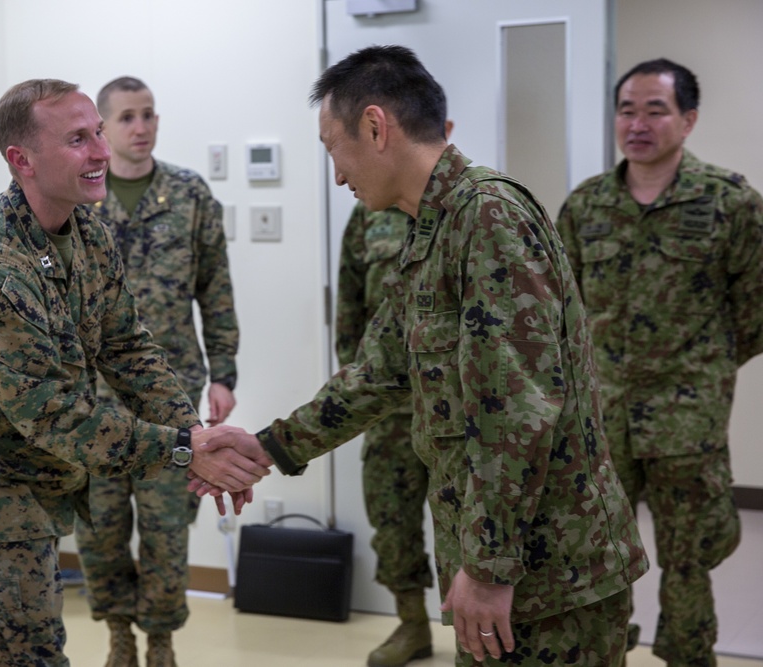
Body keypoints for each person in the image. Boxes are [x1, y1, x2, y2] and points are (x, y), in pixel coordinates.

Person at [194, 45, 648, 666]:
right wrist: (270, 446)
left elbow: (518, 410)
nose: (336, 174)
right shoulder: (432, 229)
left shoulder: (487, 217)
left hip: (547, 573)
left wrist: (487, 569)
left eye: (333, 147)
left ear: (376, 127)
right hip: (507, 563)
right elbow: (378, 373)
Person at [0, 78, 267, 667]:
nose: (103, 151)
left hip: (34, 495)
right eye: (80, 138)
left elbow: (127, 346)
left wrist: (193, 432)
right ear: (21, 160)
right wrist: (186, 450)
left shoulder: (85, 232)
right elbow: (53, 415)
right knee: (22, 657)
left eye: (97, 133)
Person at [556, 58, 763, 667]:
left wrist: (700, 370)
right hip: (601, 418)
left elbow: (755, 312)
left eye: (655, 109)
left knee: (689, 559)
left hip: (686, 424)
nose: (637, 124)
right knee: (595, 558)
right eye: (627, 109)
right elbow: (561, 312)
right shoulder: (587, 205)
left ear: (688, 119)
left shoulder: (730, 202)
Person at [71, 76, 238, 667]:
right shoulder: (78, 198)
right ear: (103, 128)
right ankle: (118, 633)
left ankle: (162, 639)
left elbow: (215, 289)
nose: (140, 128)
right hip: (93, 400)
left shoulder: (190, 195)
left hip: (171, 393)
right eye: (126, 118)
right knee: (101, 526)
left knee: (168, 526)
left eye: (149, 115)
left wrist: (225, 373)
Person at [336, 120, 452, 667]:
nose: (339, 173)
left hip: (462, 415)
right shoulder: (368, 215)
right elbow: (350, 317)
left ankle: (486, 635)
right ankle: (412, 624)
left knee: (471, 524)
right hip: (389, 409)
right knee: (393, 520)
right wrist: (355, 398)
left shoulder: (473, 212)